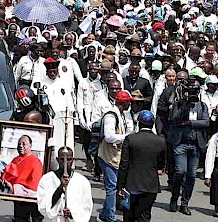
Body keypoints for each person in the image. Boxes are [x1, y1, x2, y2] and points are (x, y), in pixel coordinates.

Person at [167, 77, 209, 215]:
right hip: (181, 143)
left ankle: (184, 203)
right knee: (180, 171)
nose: (192, 94)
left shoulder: (202, 106)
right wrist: (183, 107)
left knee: (191, 175)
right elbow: (173, 119)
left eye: (195, 91)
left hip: (195, 145)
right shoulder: (179, 104)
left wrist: (190, 123)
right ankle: (174, 199)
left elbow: (205, 122)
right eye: (190, 91)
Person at [116, 110, 166, 222]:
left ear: (139, 123)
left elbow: (124, 164)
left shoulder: (130, 139)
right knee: (145, 215)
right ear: (152, 124)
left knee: (129, 216)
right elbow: (161, 164)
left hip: (131, 185)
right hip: (150, 186)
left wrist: (119, 186)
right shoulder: (160, 141)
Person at [97, 89, 131, 222]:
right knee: (112, 188)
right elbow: (109, 136)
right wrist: (127, 137)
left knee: (114, 186)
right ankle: (110, 218)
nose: (130, 105)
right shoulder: (111, 116)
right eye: (128, 102)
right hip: (107, 156)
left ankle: (104, 215)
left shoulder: (120, 114)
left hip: (114, 155)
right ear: (123, 102)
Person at [36, 147, 93, 222]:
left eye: (68, 159)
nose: (65, 163)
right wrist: (60, 189)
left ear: (73, 160)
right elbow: (42, 205)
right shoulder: (46, 179)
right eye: (62, 159)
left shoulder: (82, 181)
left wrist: (72, 214)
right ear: (57, 159)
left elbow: (87, 207)